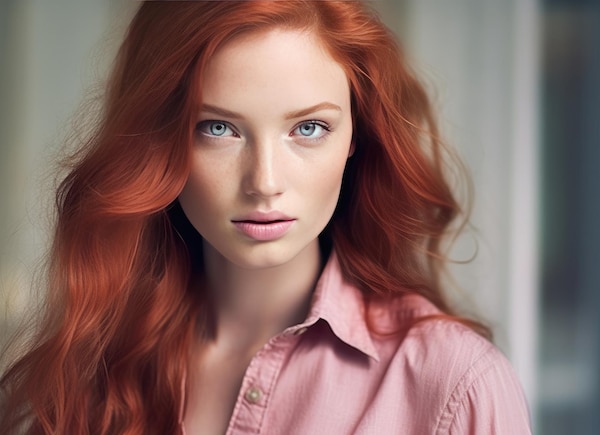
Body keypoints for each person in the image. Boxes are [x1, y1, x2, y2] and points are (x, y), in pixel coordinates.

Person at [0, 1, 532, 434]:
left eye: (308, 129)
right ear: (158, 142)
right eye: (218, 128)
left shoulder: (456, 385)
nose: (264, 181)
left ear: (357, 137)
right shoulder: (94, 362)